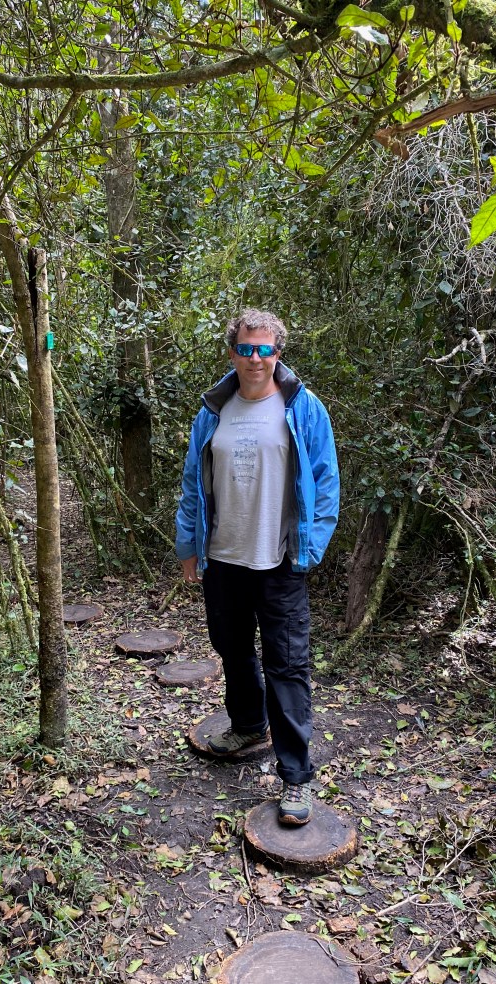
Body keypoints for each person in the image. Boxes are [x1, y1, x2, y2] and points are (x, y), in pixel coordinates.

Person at [175, 309, 339, 826]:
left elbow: (325, 480)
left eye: (265, 349)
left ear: (278, 353)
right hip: (223, 557)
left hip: (280, 559)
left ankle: (295, 777)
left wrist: (310, 548)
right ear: (232, 352)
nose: (255, 359)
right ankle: (248, 723)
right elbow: (191, 485)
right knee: (231, 647)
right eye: (246, 349)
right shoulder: (213, 411)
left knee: (287, 666)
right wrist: (187, 547)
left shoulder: (303, 408)